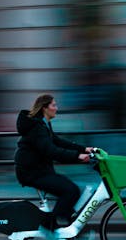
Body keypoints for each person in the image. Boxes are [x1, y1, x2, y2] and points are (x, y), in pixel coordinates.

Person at [14, 93, 94, 231]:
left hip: (39, 170)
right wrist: (78, 156)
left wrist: (84, 149)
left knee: (71, 190)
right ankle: (50, 226)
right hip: (32, 172)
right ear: (45, 108)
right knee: (71, 190)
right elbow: (52, 151)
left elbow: (58, 142)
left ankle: (66, 224)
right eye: (54, 105)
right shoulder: (38, 128)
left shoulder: (43, 124)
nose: (56, 108)